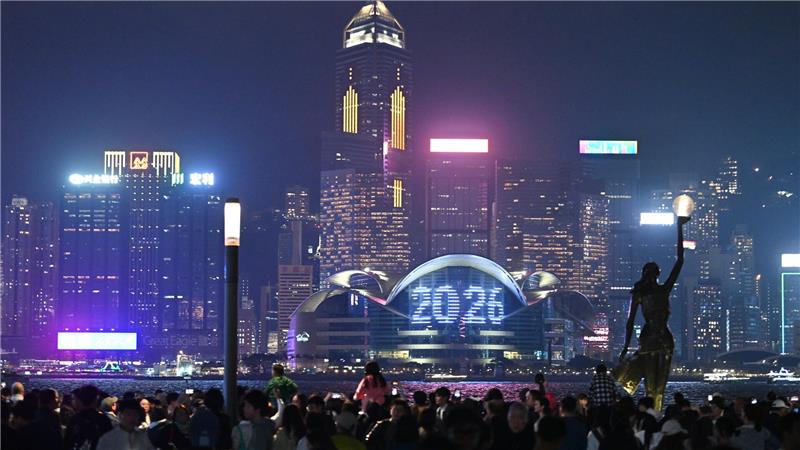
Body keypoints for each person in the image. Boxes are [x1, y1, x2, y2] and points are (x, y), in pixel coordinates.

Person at [614, 215, 689, 411]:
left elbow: (680, 260)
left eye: (651, 272)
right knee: (648, 385)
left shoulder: (663, 290)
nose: (649, 276)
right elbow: (629, 322)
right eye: (646, 272)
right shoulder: (639, 293)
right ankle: (652, 415)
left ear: (656, 274)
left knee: (659, 386)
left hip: (664, 340)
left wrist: (679, 228)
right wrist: (625, 347)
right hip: (649, 340)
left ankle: (656, 413)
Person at [64, 385, 114, 450]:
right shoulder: (103, 419)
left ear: (80, 400)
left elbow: (68, 443)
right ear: (95, 400)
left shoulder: (74, 419)